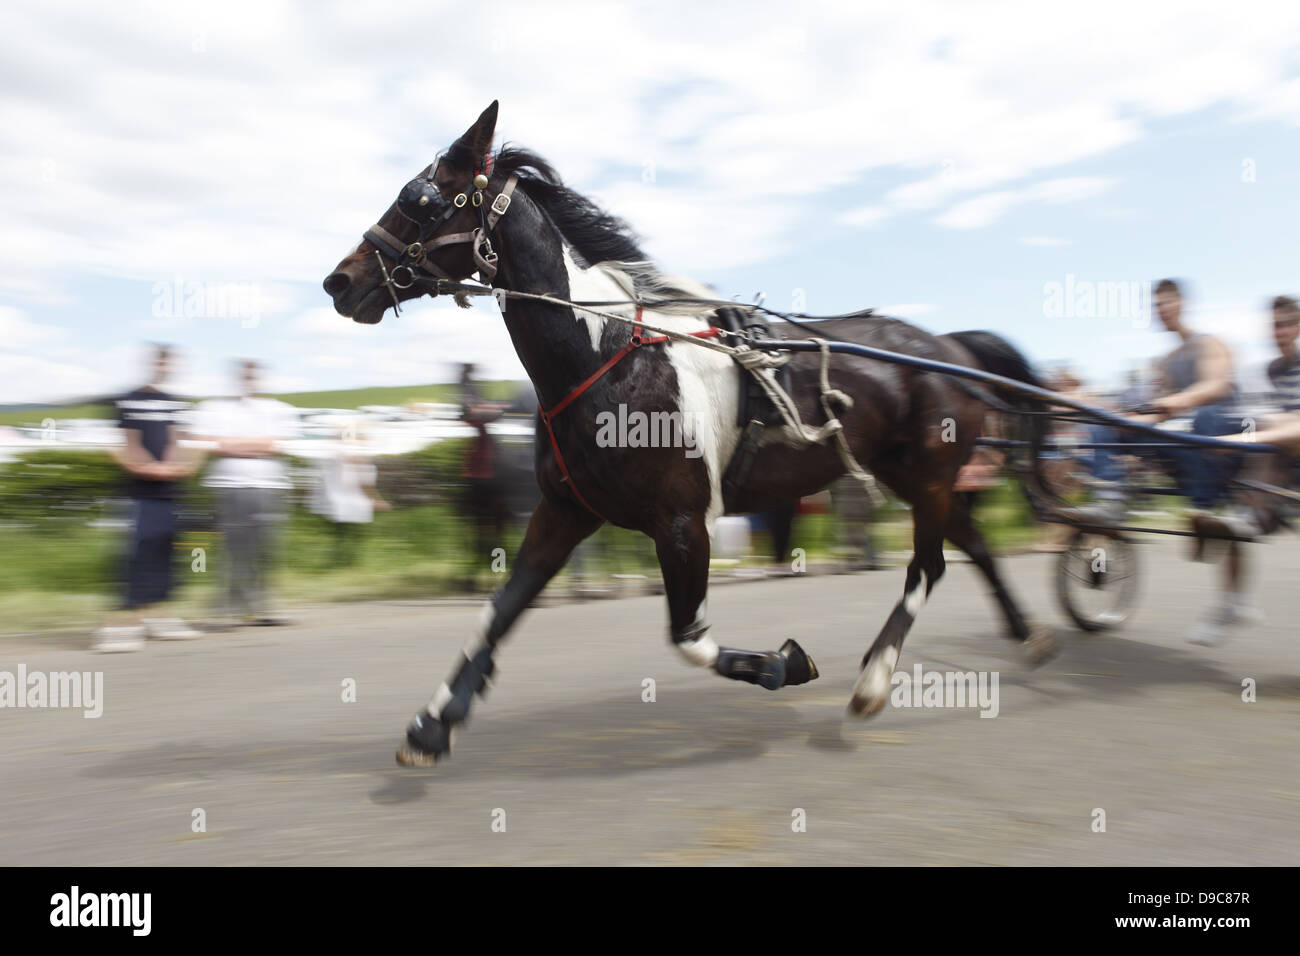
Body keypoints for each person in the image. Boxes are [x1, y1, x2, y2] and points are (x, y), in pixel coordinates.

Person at [1086, 279, 1241, 517]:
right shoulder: (1166, 362)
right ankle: (1110, 502)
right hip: (1179, 436)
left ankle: (1206, 509)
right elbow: (1159, 410)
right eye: (1156, 305)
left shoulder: (1210, 344)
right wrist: (1127, 421)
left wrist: (1174, 402)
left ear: (1182, 303)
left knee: (1205, 414)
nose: (1160, 310)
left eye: (1165, 303)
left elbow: (1214, 387)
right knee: (1105, 425)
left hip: (1217, 436)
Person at [93, 344, 203, 651]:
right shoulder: (127, 400)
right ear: (148, 364)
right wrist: (146, 466)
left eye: (167, 363)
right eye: (158, 361)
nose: (163, 367)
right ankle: (118, 623)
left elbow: (179, 440)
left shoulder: (174, 403)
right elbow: (124, 442)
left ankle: (159, 616)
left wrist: (177, 466)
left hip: (170, 493)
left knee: (166, 553)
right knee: (134, 554)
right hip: (136, 493)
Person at [191, 360, 299, 628]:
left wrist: (231, 443)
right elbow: (205, 443)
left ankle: (262, 605)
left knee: (265, 548)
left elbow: (282, 445)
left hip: (269, 487)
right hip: (231, 486)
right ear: (234, 379)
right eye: (244, 376)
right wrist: (258, 444)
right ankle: (228, 606)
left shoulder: (278, 409)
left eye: (253, 376)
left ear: (260, 379)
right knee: (234, 548)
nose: (248, 380)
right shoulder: (213, 408)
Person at [308, 428, 389, 566]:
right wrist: (377, 500)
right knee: (350, 535)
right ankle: (345, 562)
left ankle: (341, 561)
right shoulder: (357, 460)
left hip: (336, 504)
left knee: (342, 535)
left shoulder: (333, 457)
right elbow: (365, 483)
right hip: (350, 504)